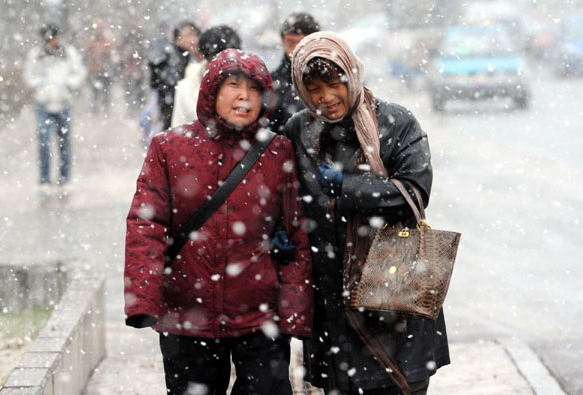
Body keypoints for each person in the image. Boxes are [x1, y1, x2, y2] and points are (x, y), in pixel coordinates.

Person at [124, 49, 313, 395]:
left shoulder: (277, 152)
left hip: (259, 317)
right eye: (233, 85)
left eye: (255, 89)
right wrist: (143, 299)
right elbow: (145, 226)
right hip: (187, 315)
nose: (244, 96)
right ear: (211, 90)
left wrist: (294, 310)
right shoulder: (169, 148)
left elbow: (296, 235)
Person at [284, 32, 450, 395]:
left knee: (400, 385)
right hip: (332, 301)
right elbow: (280, 192)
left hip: (396, 293)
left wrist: (346, 187)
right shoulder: (300, 130)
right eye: (313, 88)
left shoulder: (395, 122)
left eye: (333, 83)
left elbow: (413, 192)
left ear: (352, 74)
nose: (326, 97)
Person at [23, 24, 86, 188]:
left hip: (64, 103)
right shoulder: (36, 56)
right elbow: (29, 76)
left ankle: (64, 178)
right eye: (48, 39)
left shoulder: (69, 53)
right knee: (44, 142)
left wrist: (69, 84)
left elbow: (79, 72)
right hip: (44, 104)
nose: (52, 41)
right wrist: (41, 85)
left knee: (64, 143)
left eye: (54, 37)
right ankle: (44, 179)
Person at [171, 25, 241, 126]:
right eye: (216, 62)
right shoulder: (186, 89)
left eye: (229, 63)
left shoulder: (248, 87)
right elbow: (178, 131)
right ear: (203, 57)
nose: (223, 69)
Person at [267, 12, 320, 134]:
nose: (297, 49)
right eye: (291, 42)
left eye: (302, 42)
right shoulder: (272, 83)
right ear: (283, 42)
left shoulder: (330, 78)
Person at [148, 21, 201, 129]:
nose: (193, 39)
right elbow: (170, 85)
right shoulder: (173, 59)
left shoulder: (197, 57)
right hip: (173, 113)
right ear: (176, 40)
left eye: (194, 34)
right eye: (188, 35)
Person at [85, 21, 117, 114]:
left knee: (105, 93)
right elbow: (87, 54)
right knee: (95, 93)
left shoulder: (107, 40)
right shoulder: (90, 41)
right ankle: (96, 111)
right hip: (94, 71)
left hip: (105, 71)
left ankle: (105, 110)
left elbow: (112, 53)